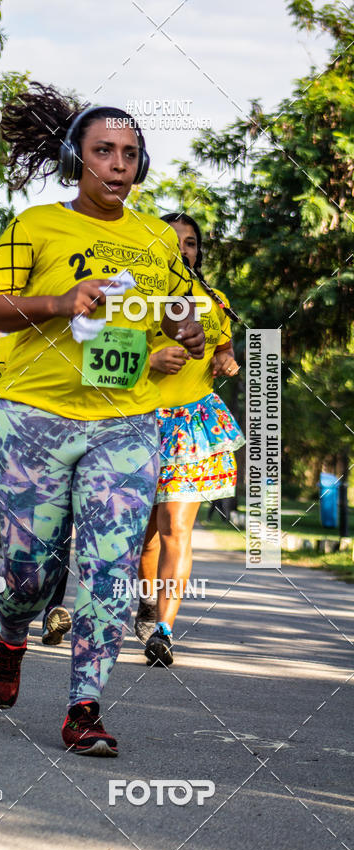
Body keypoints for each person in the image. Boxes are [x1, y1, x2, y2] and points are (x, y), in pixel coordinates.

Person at [0, 83, 205, 756]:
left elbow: (181, 307)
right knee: (33, 572)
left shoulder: (157, 238)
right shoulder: (35, 226)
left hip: (124, 419)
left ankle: (84, 707)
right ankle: (10, 633)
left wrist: (188, 330)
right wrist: (60, 301)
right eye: (104, 151)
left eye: (130, 153)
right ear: (79, 158)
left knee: (111, 566)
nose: (118, 164)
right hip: (32, 416)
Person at [136, 212, 245, 666]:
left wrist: (227, 360)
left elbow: (224, 348)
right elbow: (101, 355)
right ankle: (145, 603)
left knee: (175, 528)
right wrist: (150, 361)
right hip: (135, 421)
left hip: (189, 425)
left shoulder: (212, 301)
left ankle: (163, 630)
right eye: (173, 240)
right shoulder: (133, 298)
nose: (184, 249)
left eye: (191, 242)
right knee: (143, 536)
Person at [0, 333, 71, 642]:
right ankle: (14, 609)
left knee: (59, 533)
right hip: (17, 458)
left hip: (62, 452)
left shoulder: (73, 342)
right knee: (21, 537)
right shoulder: (4, 347)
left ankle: (53, 612)